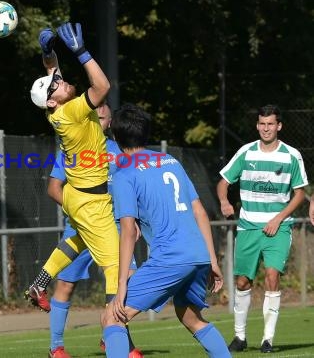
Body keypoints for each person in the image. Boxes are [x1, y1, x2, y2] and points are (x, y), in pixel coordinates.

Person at [102, 104, 230, 358]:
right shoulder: (170, 161)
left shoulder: (124, 173)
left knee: (112, 318)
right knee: (191, 317)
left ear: (115, 138)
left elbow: (127, 230)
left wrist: (120, 287)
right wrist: (212, 259)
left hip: (170, 259)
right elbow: (200, 212)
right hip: (198, 255)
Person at [26, 22, 119, 319]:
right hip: (91, 201)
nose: (61, 82)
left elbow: (53, 73)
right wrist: (81, 52)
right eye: (56, 86)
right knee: (116, 266)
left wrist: (48, 51)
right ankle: (116, 333)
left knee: (77, 240)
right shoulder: (73, 110)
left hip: (77, 196)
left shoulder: (57, 108)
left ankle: (39, 285)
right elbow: (103, 88)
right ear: (53, 101)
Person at [47, 103, 142, 358]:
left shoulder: (119, 153)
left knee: (124, 282)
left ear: (110, 122)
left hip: (114, 229)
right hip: (81, 228)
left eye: (102, 118)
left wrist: (135, 222)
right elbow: (54, 188)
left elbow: (131, 190)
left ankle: (116, 338)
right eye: (93, 117)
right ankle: (55, 348)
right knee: (65, 286)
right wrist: (79, 212)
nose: (97, 121)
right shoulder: (72, 148)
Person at [216, 104, 308, 353]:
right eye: (262, 124)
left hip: (279, 228)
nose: (266, 128)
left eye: (271, 124)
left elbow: (300, 194)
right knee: (243, 282)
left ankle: (267, 339)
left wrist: (278, 218)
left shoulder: (291, 155)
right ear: (257, 125)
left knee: (272, 276)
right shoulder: (246, 153)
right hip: (248, 227)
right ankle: (240, 337)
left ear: (279, 126)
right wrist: (224, 201)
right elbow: (223, 182)